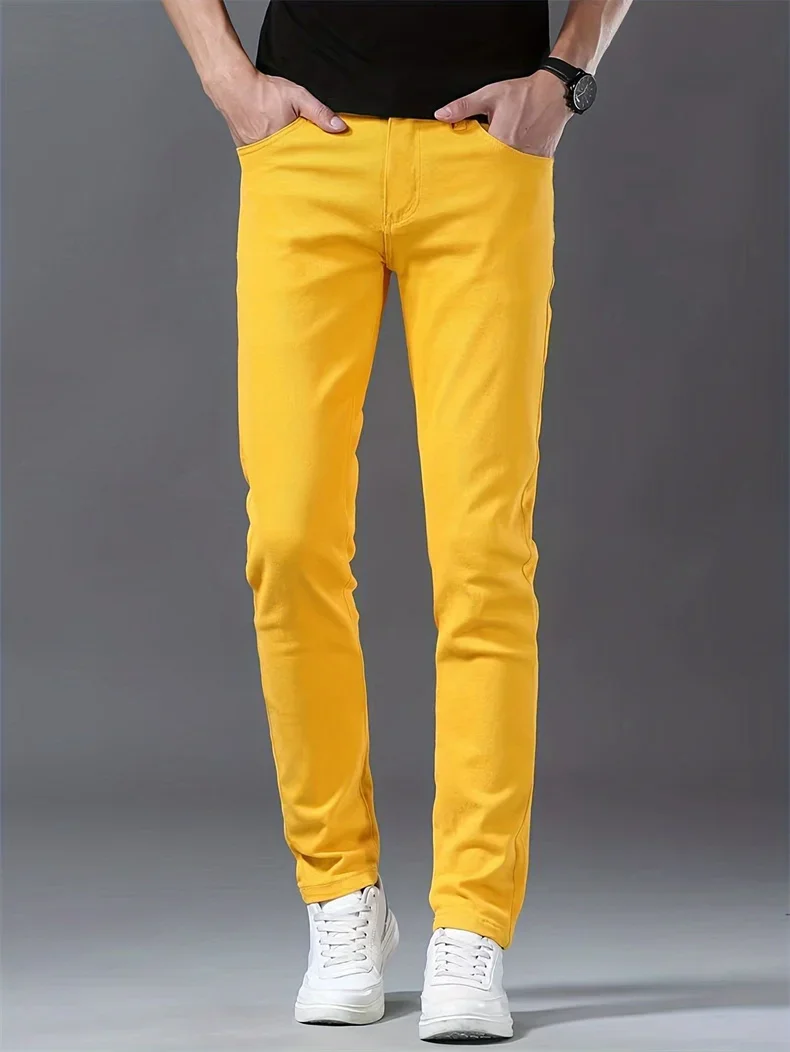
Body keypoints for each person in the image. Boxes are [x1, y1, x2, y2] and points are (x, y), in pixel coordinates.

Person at [163, 0, 632, 1041]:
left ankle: (471, 921)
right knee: (288, 538)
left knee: (482, 553)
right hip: (306, 154)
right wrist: (225, 77)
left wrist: (566, 74)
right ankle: (340, 897)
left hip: (484, 158)